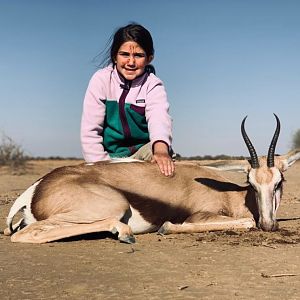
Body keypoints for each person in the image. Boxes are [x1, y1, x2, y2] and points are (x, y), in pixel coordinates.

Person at [81, 23, 174, 176]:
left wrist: (161, 151)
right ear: (114, 56)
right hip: (109, 157)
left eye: (138, 55)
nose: (131, 62)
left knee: (166, 170)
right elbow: (90, 131)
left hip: (142, 153)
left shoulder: (153, 84)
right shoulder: (101, 80)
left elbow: (159, 119)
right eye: (125, 54)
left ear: (149, 58)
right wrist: (100, 166)